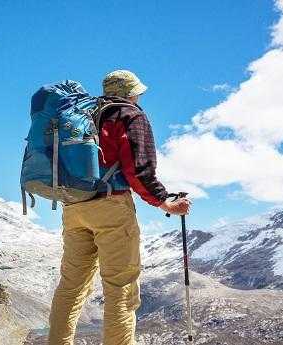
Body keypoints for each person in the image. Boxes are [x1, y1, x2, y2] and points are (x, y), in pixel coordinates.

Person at [47, 70, 191, 345]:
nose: (139, 97)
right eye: (137, 92)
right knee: (121, 290)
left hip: (75, 206)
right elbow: (138, 169)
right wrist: (165, 203)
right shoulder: (129, 115)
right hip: (111, 207)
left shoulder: (84, 115)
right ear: (129, 92)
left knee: (71, 287)